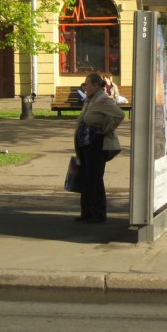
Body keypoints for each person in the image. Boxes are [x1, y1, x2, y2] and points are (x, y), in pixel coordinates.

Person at [74, 73, 124, 223]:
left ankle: (98, 214)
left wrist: (107, 129)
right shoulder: (90, 99)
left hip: (95, 145)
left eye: (87, 84)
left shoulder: (102, 99)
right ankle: (86, 212)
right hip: (84, 145)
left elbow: (119, 114)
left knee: (95, 179)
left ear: (95, 85)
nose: (85, 87)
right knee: (85, 178)